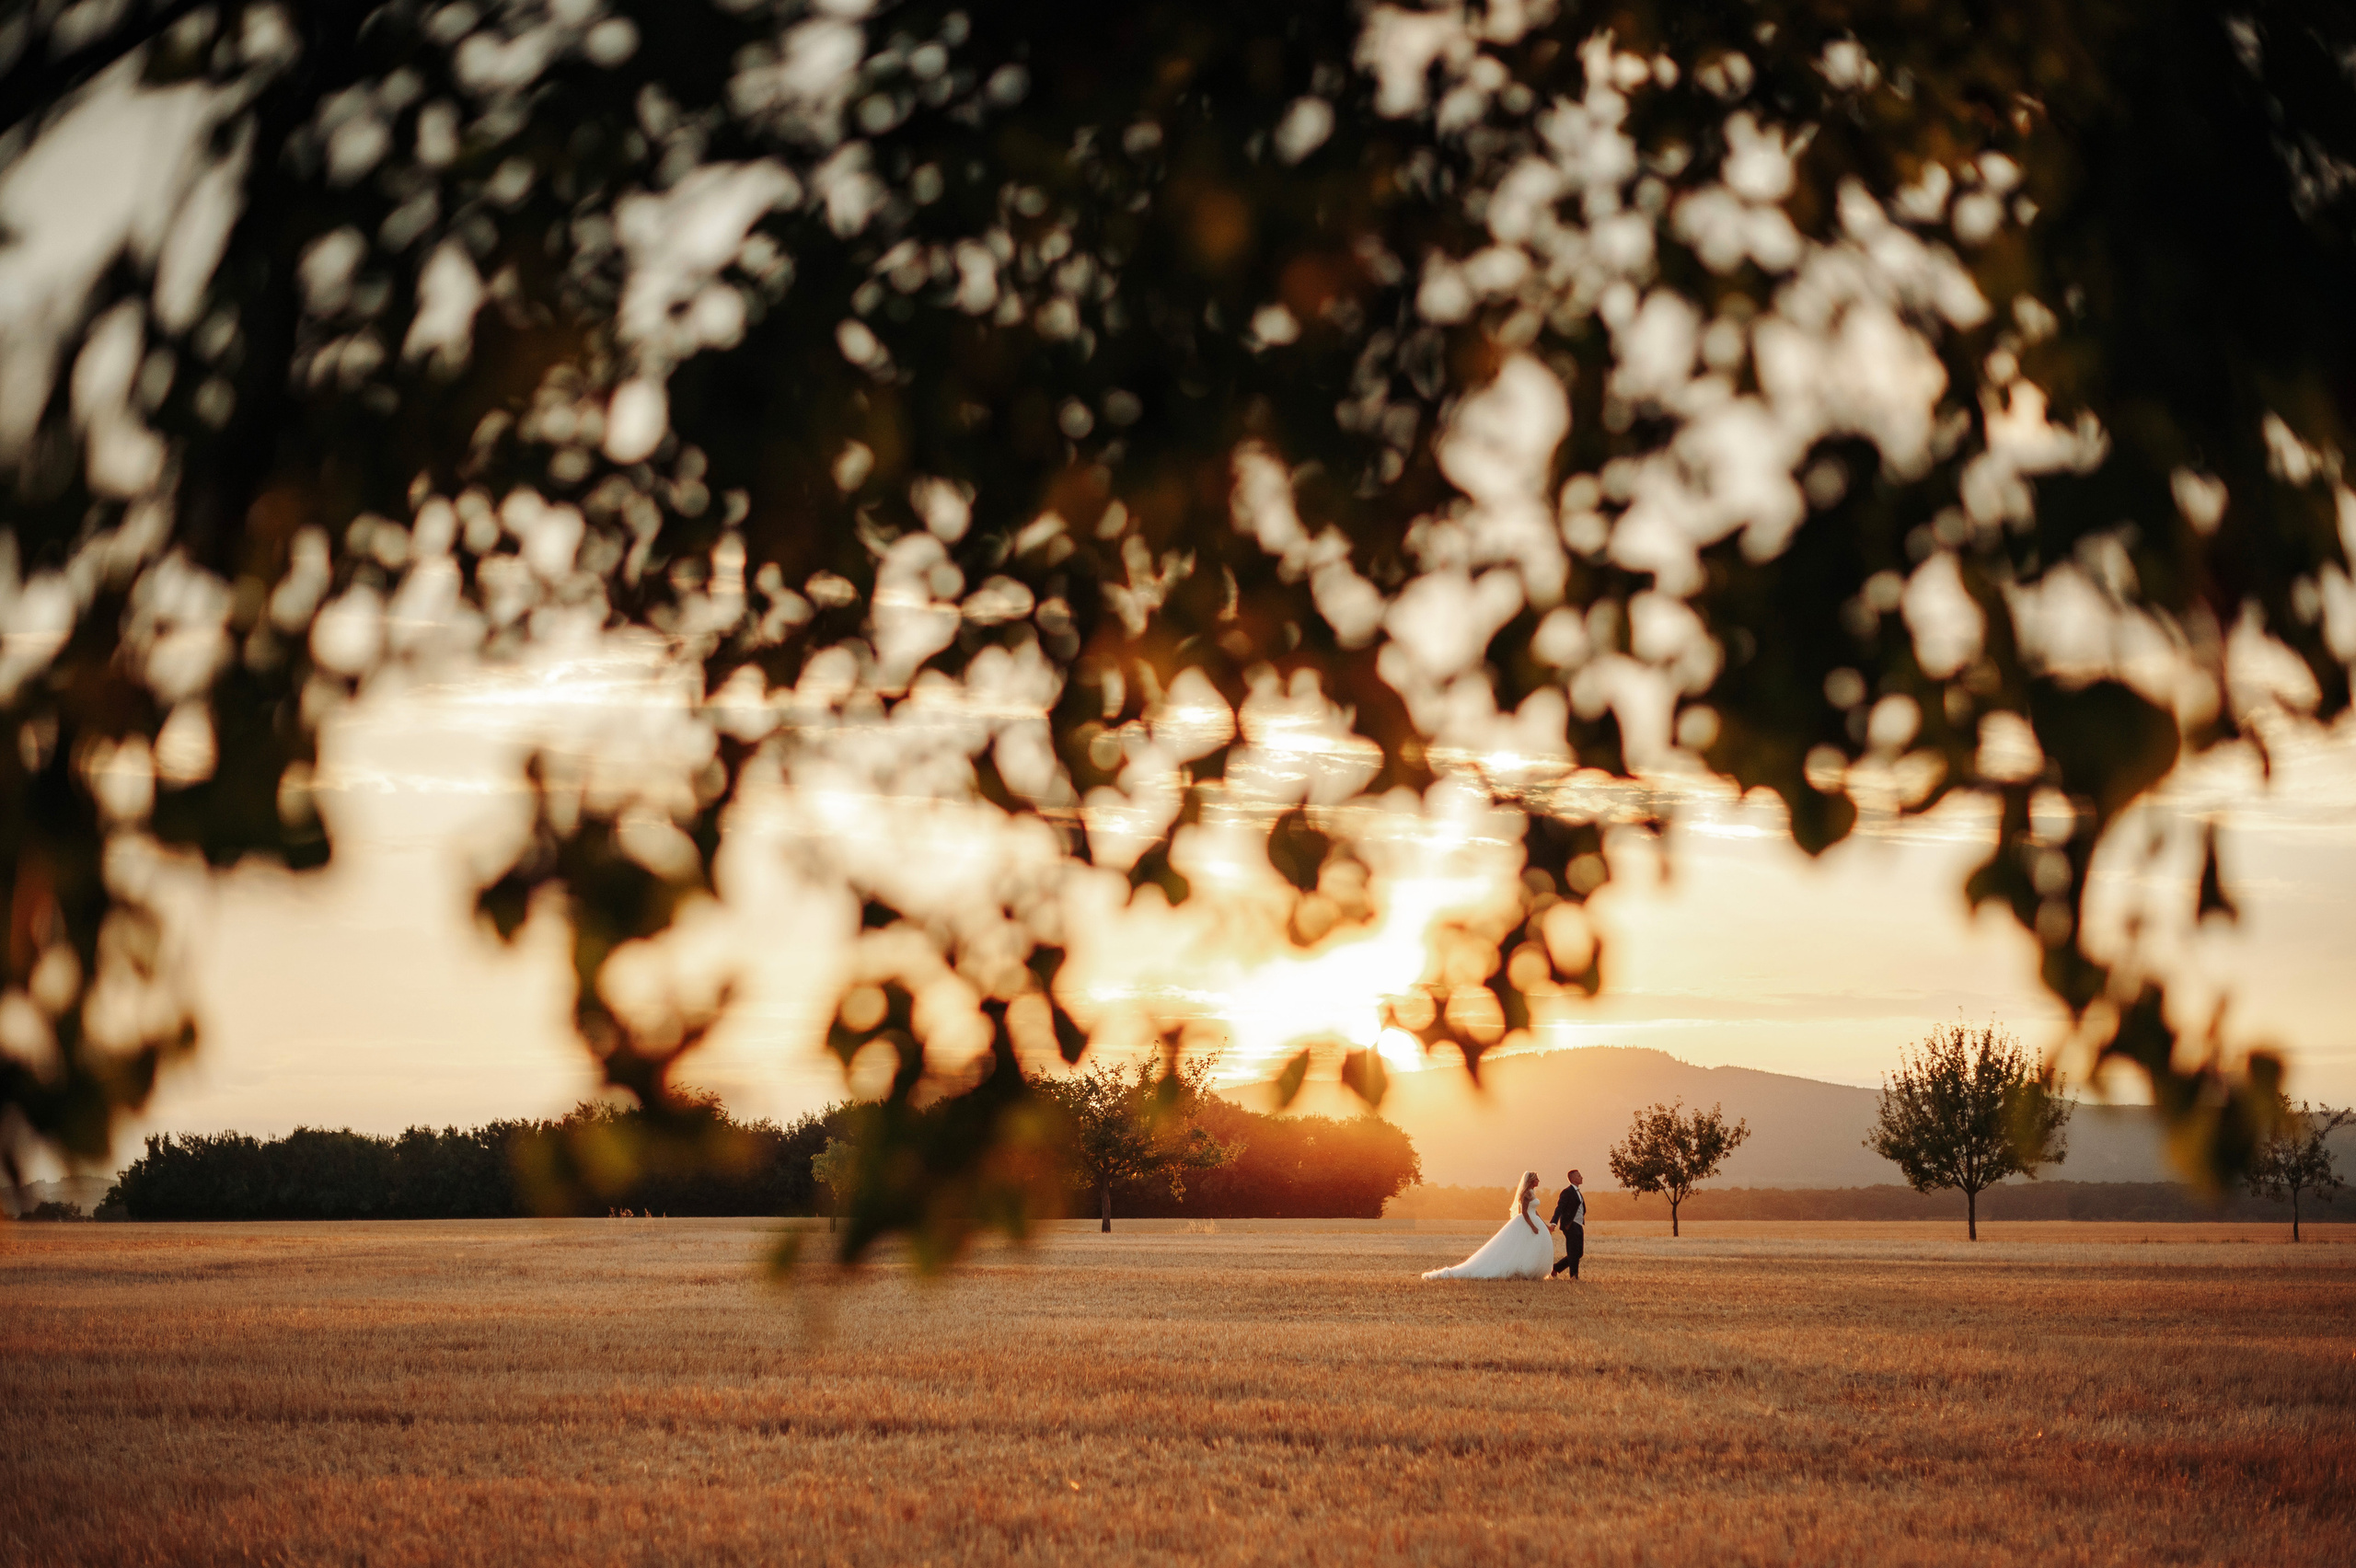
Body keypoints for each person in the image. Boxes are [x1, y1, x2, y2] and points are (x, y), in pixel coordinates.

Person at [1421, 1170, 1553, 1280]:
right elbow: (1524, 1212)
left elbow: (1534, 1211)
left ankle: (1530, 1270)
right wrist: (1532, 1226)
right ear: (1531, 1181)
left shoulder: (1532, 1193)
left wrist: (1544, 1225)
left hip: (1534, 1220)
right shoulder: (1526, 1194)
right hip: (1526, 1222)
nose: (1538, 1181)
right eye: (1536, 1179)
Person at [1549, 1167, 1587, 1279]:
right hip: (1570, 1225)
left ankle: (1555, 1268)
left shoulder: (1578, 1192)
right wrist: (1554, 1223)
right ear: (1573, 1178)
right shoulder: (1567, 1192)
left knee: (1579, 1253)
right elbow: (1559, 1208)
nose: (1581, 1177)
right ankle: (1574, 1277)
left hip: (1579, 1224)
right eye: (1579, 1176)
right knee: (1573, 1251)